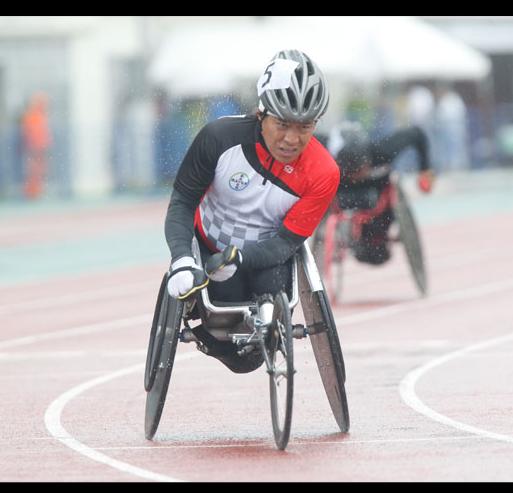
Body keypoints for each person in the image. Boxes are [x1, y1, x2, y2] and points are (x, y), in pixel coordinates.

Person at [163, 49, 339, 372]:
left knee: (269, 295)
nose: (291, 139)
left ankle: (261, 339)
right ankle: (211, 333)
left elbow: (287, 243)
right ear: (261, 113)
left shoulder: (324, 173)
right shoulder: (218, 138)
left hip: (266, 258)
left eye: (304, 127)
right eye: (282, 124)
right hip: (209, 248)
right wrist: (181, 259)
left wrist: (242, 259)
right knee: (222, 305)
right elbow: (182, 203)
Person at [319, 120, 434, 265]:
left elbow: (417, 134)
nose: (356, 176)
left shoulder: (383, 151)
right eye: (351, 171)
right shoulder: (325, 150)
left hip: (377, 200)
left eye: (360, 169)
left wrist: (425, 171)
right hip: (341, 194)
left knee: (377, 253)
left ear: (367, 159)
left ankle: (373, 239)